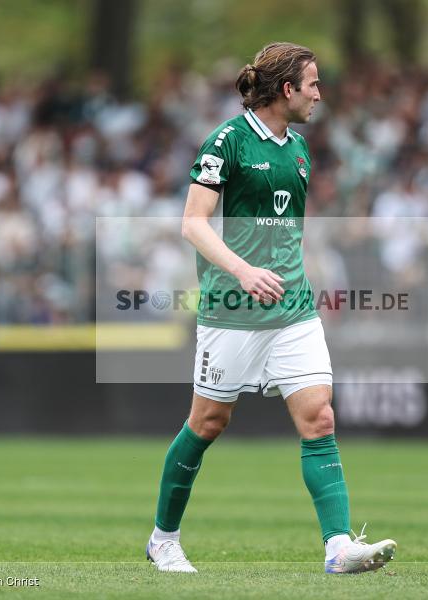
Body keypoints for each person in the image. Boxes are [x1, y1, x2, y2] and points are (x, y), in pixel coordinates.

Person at [145, 42, 396, 574]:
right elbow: (192, 223)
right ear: (287, 89)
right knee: (207, 422)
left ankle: (338, 547)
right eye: (313, 84)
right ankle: (163, 539)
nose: (319, 94)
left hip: (294, 309)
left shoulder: (299, 148)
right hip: (232, 308)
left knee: (320, 417)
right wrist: (243, 271)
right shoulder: (227, 141)